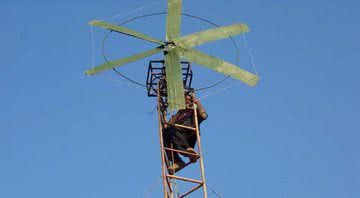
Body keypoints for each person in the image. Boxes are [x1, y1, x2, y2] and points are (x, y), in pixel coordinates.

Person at [163, 93, 208, 173]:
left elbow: (204, 116)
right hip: (177, 136)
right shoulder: (180, 113)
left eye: (188, 100)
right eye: (185, 101)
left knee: (174, 128)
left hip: (189, 137)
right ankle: (177, 161)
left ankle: (188, 152)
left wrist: (196, 101)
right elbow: (168, 125)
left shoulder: (195, 111)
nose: (187, 102)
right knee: (166, 131)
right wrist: (180, 110)